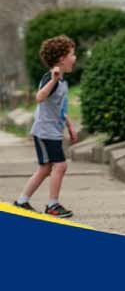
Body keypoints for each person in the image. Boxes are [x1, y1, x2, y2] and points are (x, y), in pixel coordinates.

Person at [13, 35, 78, 218]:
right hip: (45, 131)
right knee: (60, 166)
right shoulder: (51, 78)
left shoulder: (63, 81)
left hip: (53, 131)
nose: (75, 58)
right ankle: (52, 205)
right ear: (61, 58)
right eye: (72, 54)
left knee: (45, 168)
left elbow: (59, 109)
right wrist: (53, 81)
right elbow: (40, 98)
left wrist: (70, 126)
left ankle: (21, 202)